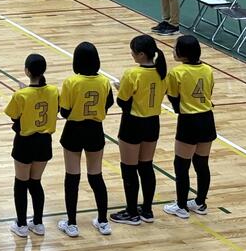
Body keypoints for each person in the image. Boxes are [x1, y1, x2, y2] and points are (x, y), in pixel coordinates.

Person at [57, 43, 114, 238]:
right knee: (96, 176)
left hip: (74, 130)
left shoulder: (71, 82)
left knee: (72, 177)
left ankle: (72, 223)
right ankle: (103, 221)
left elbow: (64, 112)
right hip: (95, 130)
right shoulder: (104, 81)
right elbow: (109, 103)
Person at [110, 35, 167, 226]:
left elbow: (123, 102)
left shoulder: (132, 74)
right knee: (146, 166)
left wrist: (120, 88)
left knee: (129, 168)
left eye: (133, 52)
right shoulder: (162, 72)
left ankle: (132, 212)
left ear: (141, 54)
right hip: (153, 123)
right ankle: (147, 210)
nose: (132, 54)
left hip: (133, 123)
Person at [4, 54, 58, 238]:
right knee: (35, 182)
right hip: (44, 142)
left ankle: (21, 224)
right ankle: (38, 223)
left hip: (25, 142)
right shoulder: (53, 91)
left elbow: (14, 116)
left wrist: (24, 93)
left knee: (21, 183)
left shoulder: (21, 95)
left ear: (27, 71)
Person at [163, 36, 216, 219]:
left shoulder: (176, 72)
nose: (173, 50)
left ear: (182, 53)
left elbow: (173, 98)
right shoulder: (208, 69)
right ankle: (200, 203)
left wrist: (181, 109)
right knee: (201, 163)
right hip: (207, 119)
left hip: (189, 121)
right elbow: (209, 93)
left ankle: (181, 206)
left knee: (181, 164)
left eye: (175, 48)